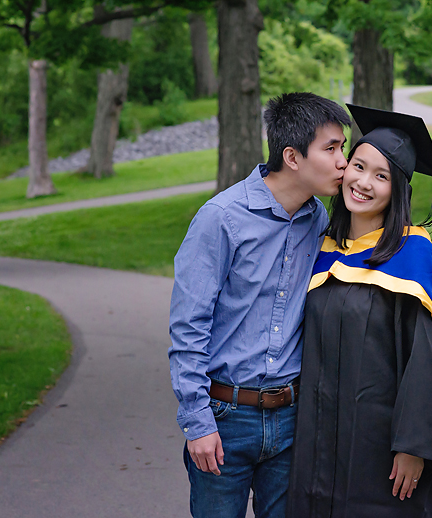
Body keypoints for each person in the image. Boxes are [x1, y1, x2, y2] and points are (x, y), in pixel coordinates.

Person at [168, 92, 351, 518]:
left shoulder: (317, 219)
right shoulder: (221, 219)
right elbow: (188, 327)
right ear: (292, 156)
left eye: (342, 148)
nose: (343, 160)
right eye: (331, 148)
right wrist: (198, 422)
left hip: (291, 419)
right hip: (225, 418)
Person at [287, 104, 432, 518]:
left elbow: (422, 361)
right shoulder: (322, 249)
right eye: (358, 166)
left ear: (398, 188)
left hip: (381, 446)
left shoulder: (411, 256)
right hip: (317, 440)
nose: (363, 183)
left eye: (380, 176)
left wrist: (413, 447)